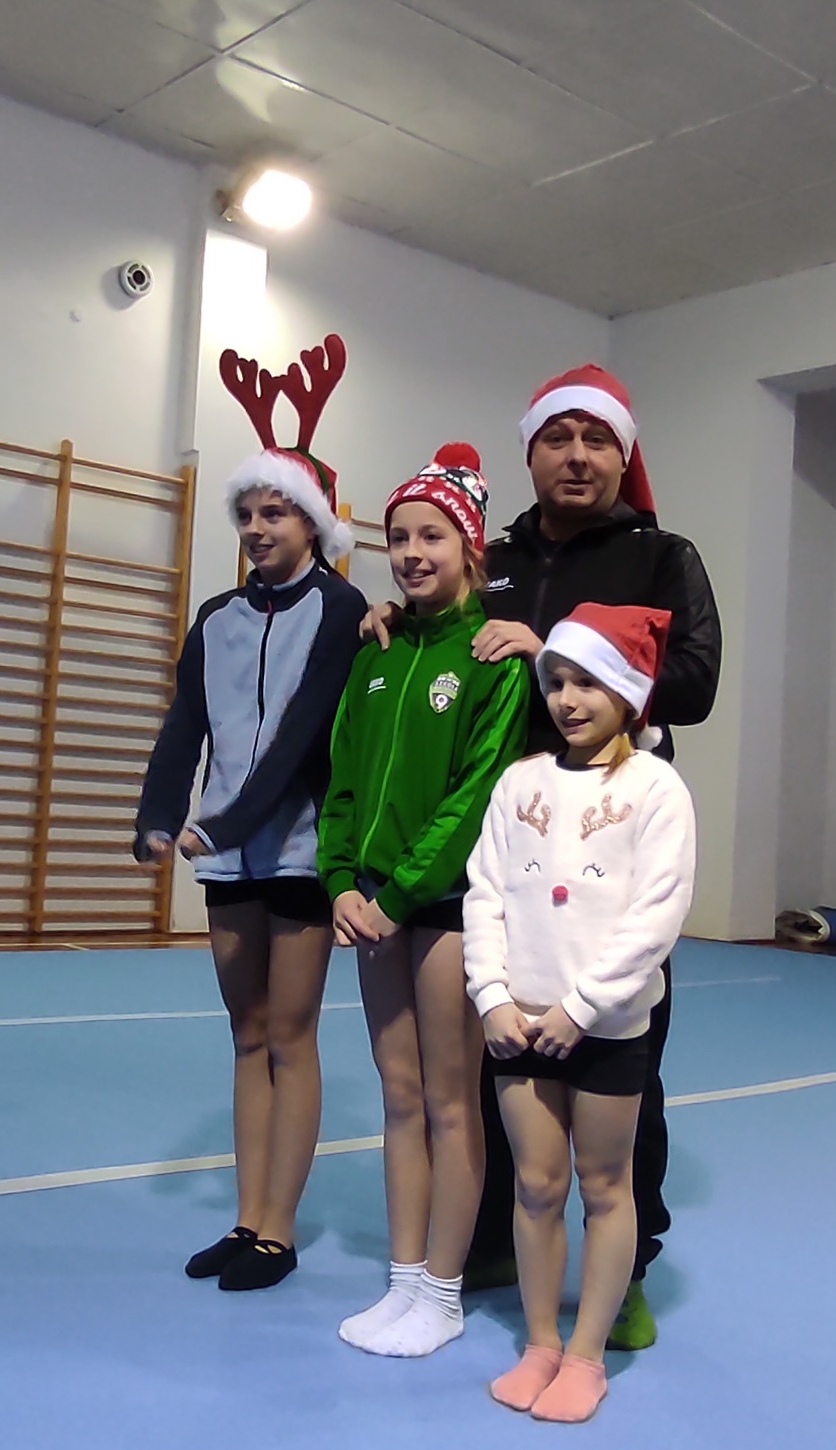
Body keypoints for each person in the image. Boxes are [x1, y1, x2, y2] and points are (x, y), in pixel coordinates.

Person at [366, 363, 722, 1350]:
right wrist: (396, 619)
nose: (576, 455)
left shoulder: (661, 556)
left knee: (622, 1061)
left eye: (595, 439)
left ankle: (628, 1266)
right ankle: (491, 1238)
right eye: (556, 438)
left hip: (609, 840)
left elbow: (695, 682)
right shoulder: (500, 554)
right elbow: (446, 619)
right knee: (500, 1047)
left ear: (622, 453)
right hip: (508, 837)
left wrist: (559, 650)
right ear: (528, 452)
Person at [135, 334, 367, 1292]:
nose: (258, 526)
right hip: (225, 859)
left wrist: (221, 824)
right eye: (247, 512)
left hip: (300, 851)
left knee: (290, 1035)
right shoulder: (216, 619)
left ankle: (281, 1227)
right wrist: (158, 814)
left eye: (276, 511)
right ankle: (245, 1216)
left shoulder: (344, 612)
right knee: (245, 1034)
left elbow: (305, 738)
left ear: (312, 521)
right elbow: (184, 723)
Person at [320, 442, 529, 1358]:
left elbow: (475, 796)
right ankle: (403, 1281)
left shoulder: (491, 657)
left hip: (441, 908)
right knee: (398, 1095)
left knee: (450, 1100)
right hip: (372, 904)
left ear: (468, 548)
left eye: (432, 536)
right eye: (398, 537)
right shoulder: (376, 651)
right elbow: (342, 779)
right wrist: (339, 880)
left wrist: (400, 895)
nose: (411, 553)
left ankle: (443, 1294)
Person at [464, 604, 695, 1422]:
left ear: (627, 692)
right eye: (556, 681)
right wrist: (492, 995)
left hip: (605, 1028)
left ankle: (587, 1355)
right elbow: (486, 893)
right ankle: (539, 1343)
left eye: (588, 682)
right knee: (535, 1184)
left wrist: (584, 1006)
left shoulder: (654, 788)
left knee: (603, 1186)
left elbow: (656, 916)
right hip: (519, 1026)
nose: (566, 699)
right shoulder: (520, 782)